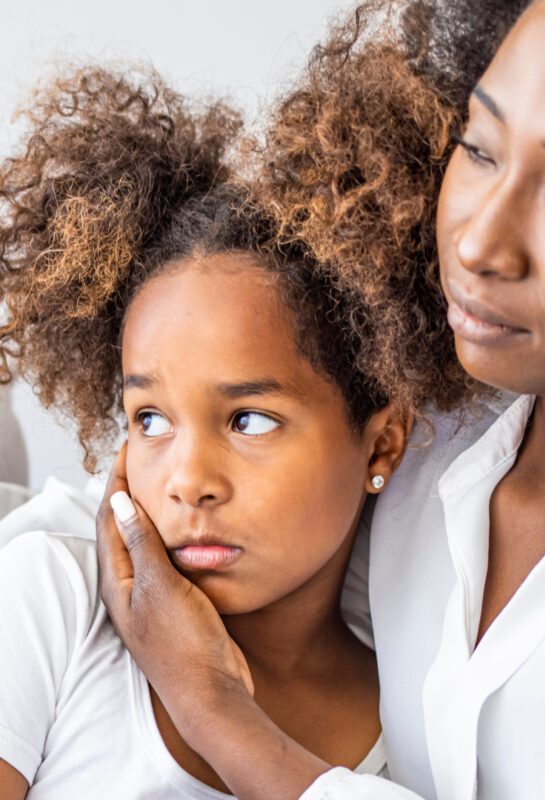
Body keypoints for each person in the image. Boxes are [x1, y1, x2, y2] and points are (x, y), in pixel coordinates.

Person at [0, 66, 468, 798]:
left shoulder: (422, 721)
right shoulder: (49, 600)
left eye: (248, 419)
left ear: (381, 444)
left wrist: (209, 700)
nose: (188, 480)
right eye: (150, 419)